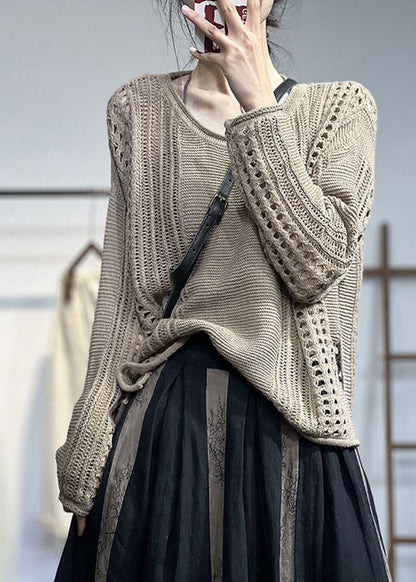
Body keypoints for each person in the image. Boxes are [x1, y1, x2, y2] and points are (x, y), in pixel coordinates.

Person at [54, 1, 393, 580]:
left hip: (292, 430)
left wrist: (258, 104)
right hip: (166, 432)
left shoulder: (339, 110)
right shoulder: (139, 110)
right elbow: (125, 300)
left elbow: (314, 267)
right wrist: (87, 440)